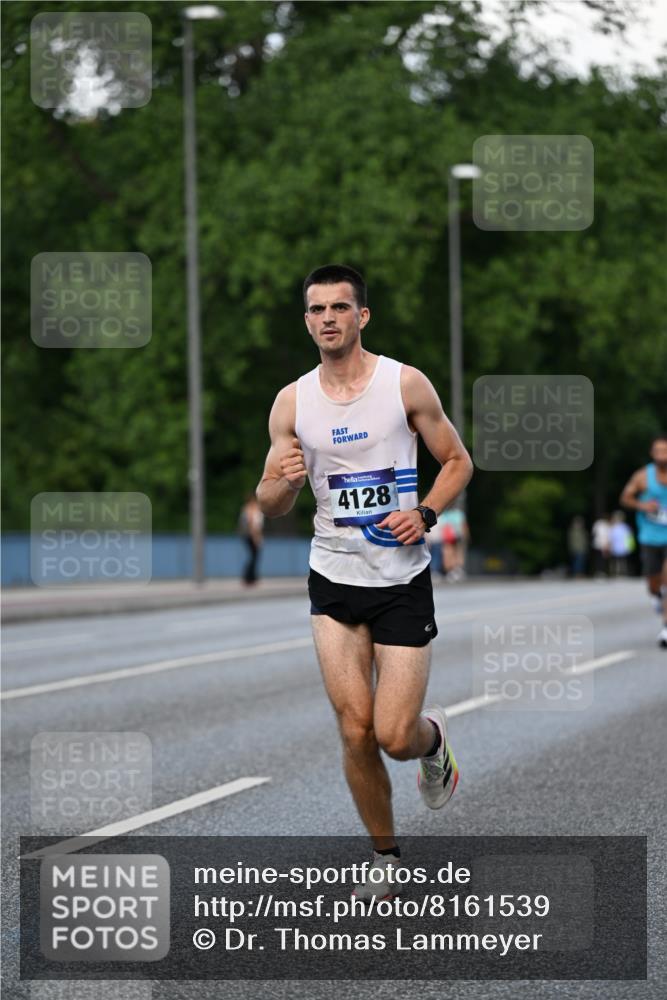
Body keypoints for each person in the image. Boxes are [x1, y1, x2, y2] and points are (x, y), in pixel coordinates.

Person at [256, 264, 473, 898]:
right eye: (316, 309)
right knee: (354, 728)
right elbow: (268, 502)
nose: (327, 318)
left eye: (339, 308)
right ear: (306, 321)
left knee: (393, 736)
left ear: (361, 316)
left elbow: (459, 461)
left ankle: (434, 742)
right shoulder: (292, 402)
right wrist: (283, 484)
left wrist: (426, 512)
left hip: (402, 578)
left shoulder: (404, 384)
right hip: (333, 576)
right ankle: (386, 858)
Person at [620, 434, 667, 648]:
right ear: (652, 453)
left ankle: (666, 627)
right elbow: (626, 498)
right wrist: (643, 506)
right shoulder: (642, 476)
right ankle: (657, 597)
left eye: (665, 451)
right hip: (649, 536)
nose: (662, 456)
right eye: (658, 451)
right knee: (653, 582)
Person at [437, 504, 469, 581]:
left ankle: (453, 570)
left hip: (449, 537)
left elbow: (441, 527)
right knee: (456, 553)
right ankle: (455, 570)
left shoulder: (444, 515)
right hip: (455, 536)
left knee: (450, 553)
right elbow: (463, 526)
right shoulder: (458, 513)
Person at [238, 493, 264, 585]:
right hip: (251, 535)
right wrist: (256, 537)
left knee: (253, 556)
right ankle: (249, 577)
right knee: (254, 556)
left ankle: (251, 577)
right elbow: (253, 525)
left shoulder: (246, 509)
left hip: (248, 535)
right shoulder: (251, 510)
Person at [608, 511, 634, 578]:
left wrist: (630, 546)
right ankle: (618, 573)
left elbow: (629, 538)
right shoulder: (615, 527)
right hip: (617, 548)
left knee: (621, 561)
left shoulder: (624, 527)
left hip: (622, 548)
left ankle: (621, 573)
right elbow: (611, 538)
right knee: (618, 561)